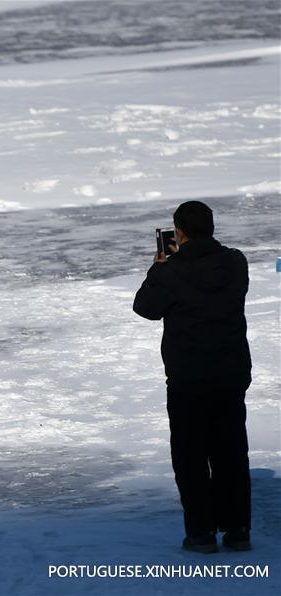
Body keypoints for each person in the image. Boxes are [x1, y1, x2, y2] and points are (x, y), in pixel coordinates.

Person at [133, 201, 252, 554]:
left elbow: (145, 308)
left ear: (178, 232)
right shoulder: (235, 263)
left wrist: (159, 267)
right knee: (231, 452)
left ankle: (201, 533)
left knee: (190, 456)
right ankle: (238, 530)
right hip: (230, 375)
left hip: (188, 378)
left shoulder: (171, 272)